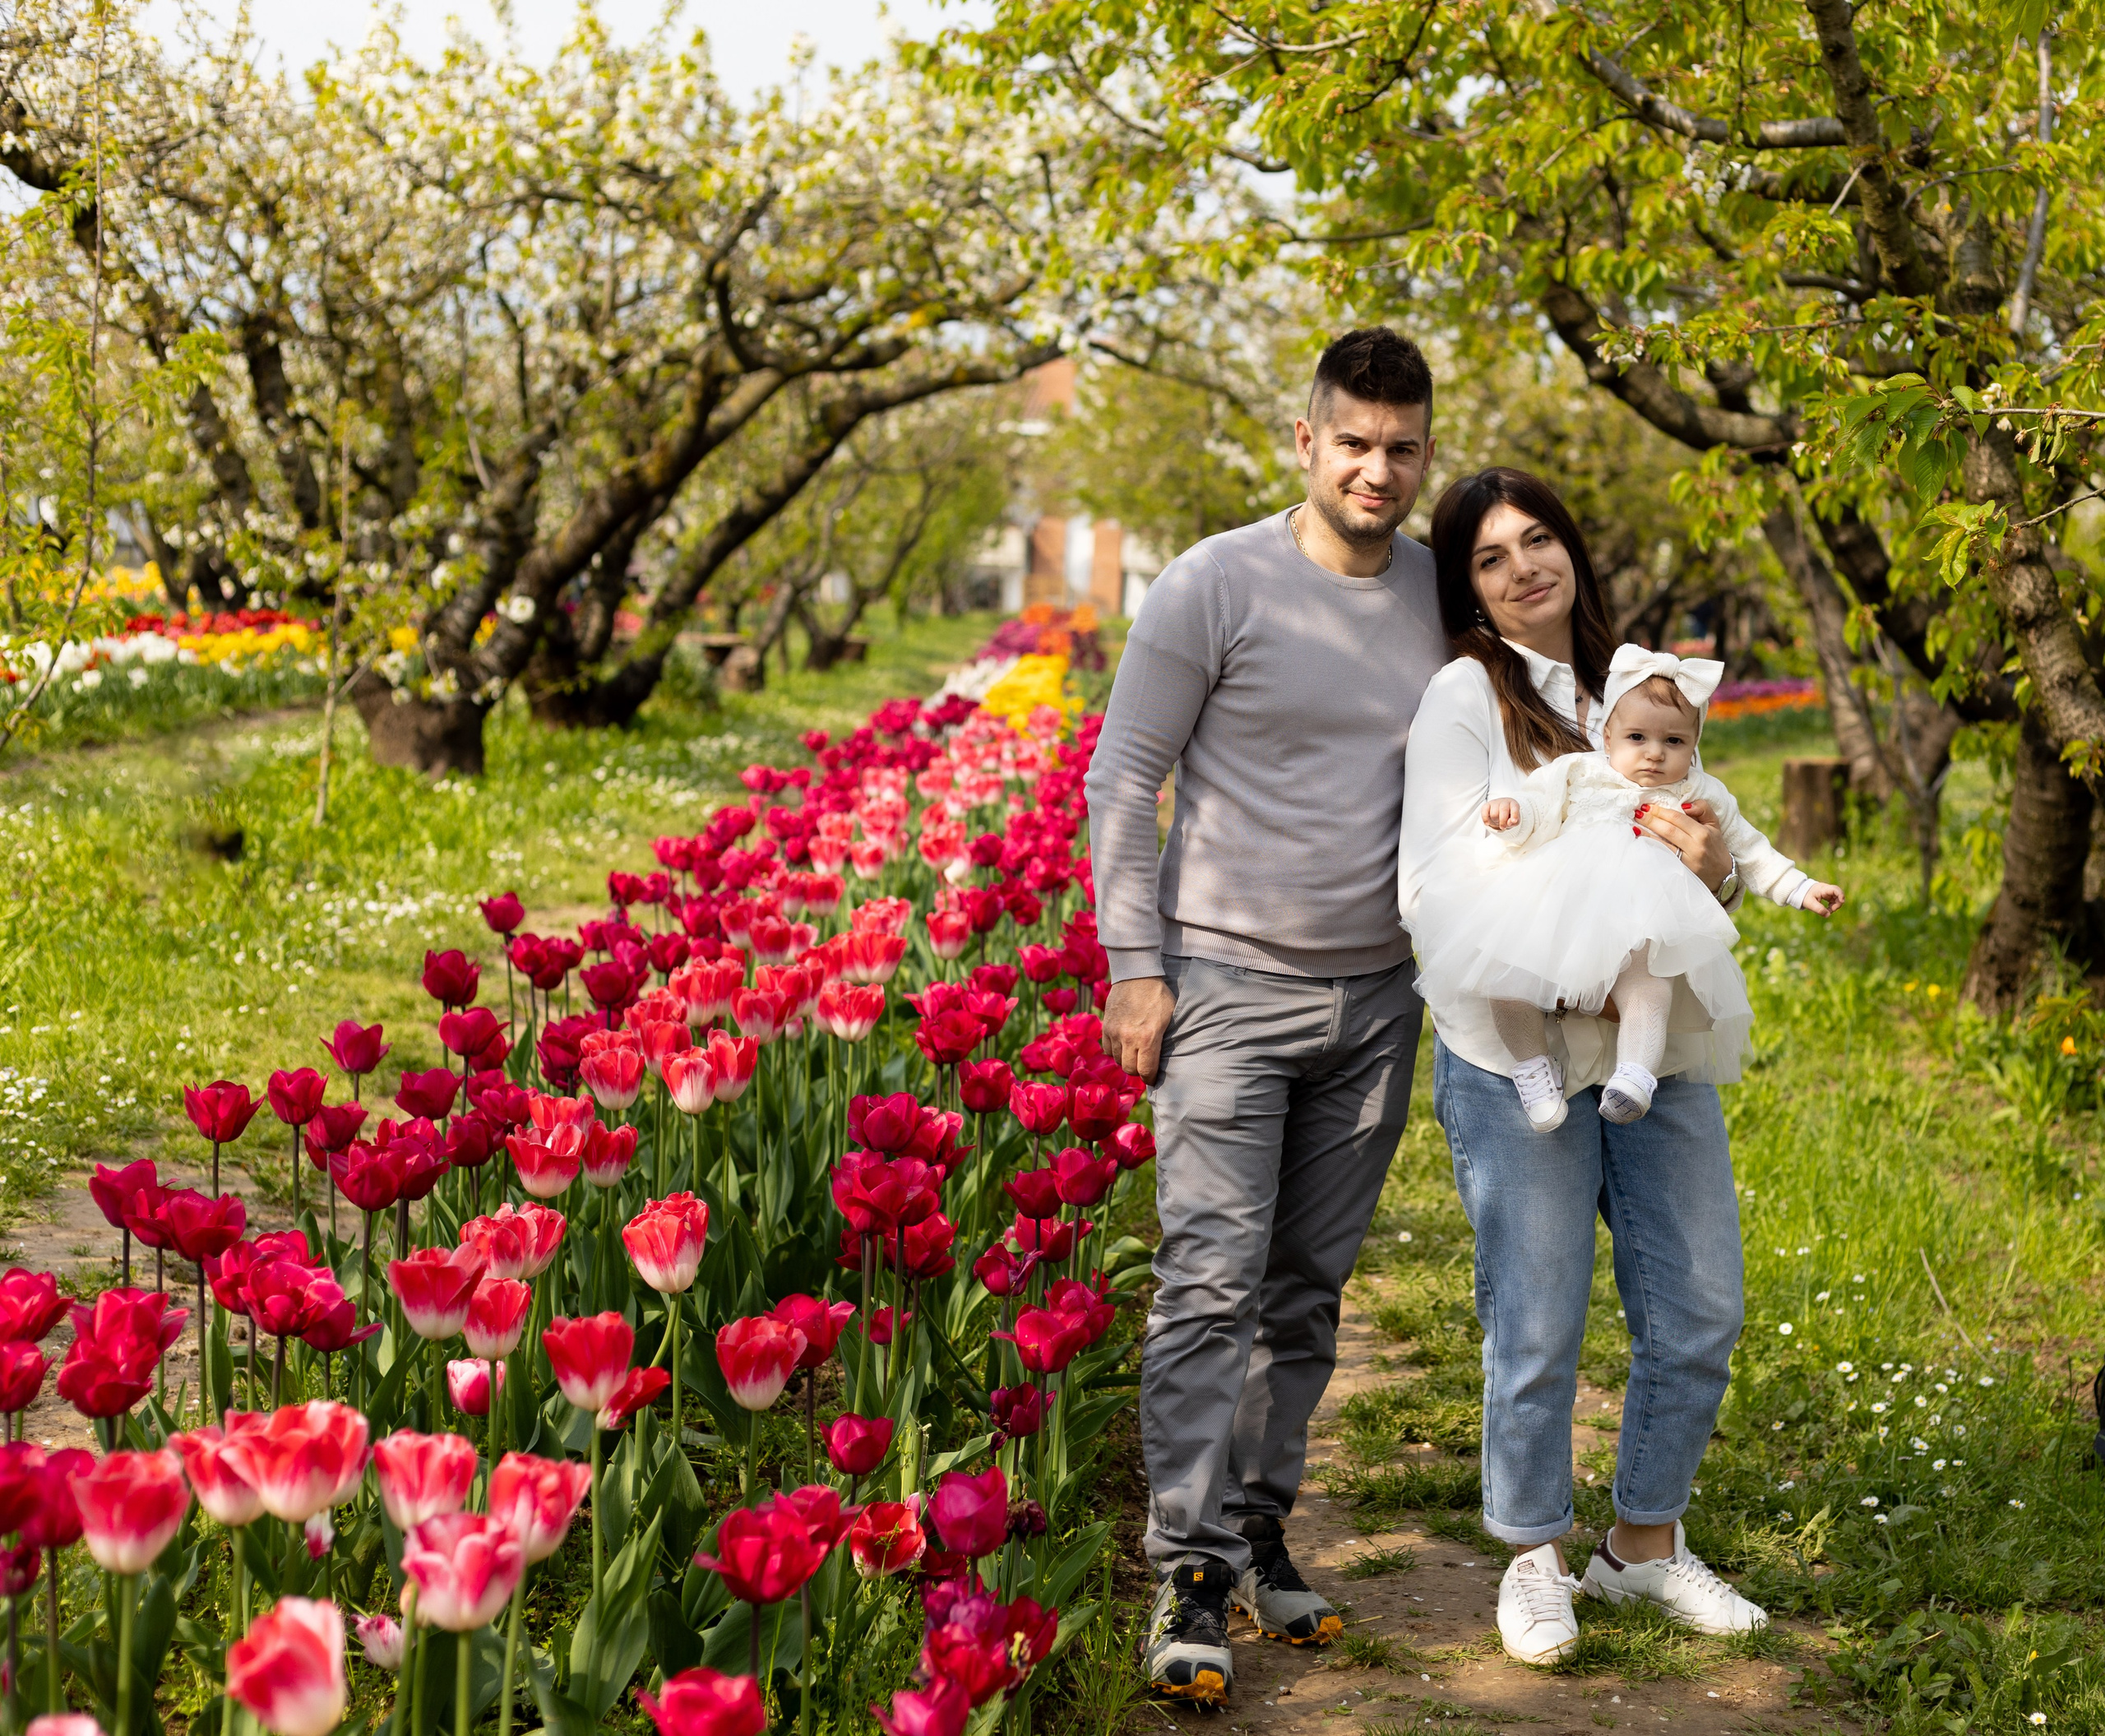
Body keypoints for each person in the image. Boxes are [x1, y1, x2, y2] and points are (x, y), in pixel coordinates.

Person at [1087, 327, 1446, 1705]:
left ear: (1426, 454)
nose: (1376, 468)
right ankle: (1185, 1567)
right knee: (1208, 1282)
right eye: (1352, 442)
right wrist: (1137, 962)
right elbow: (1126, 779)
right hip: (1225, 987)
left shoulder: (1437, 596)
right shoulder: (1214, 584)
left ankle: (1253, 1524)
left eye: (1401, 447)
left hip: (1377, 999)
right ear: (1305, 442)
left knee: (1302, 1294)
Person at [1399, 465, 1774, 1665]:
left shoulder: (1638, 682)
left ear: (1574, 548)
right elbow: (1431, 879)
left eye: (1540, 539)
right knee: (1539, 1314)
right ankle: (1532, 1551)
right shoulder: (1466, 695)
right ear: (1467, 587)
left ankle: (1644, 1543)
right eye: (1493, 557)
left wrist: (1713, 865)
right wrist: (1553, 953)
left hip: (1653, 1049)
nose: (1526, 567)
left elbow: (1695, 866)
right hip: (1519, 1054)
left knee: (1701, 1301)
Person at [1412, 644, 1844, 1132]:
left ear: (1695, 743)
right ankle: (1532, 1069)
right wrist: (1512, 817)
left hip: (1637, 920)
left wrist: (1800, 887)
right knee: (1505, 978)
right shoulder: (1581, 770)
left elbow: (1751, 850)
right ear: (1608, 736)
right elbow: (1538, 807)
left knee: (1648, 984)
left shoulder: (1698, 792)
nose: (1655, 753)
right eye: (1638, 737)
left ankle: (1635, 1075)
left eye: (1675, 742)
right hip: (1555, 907)